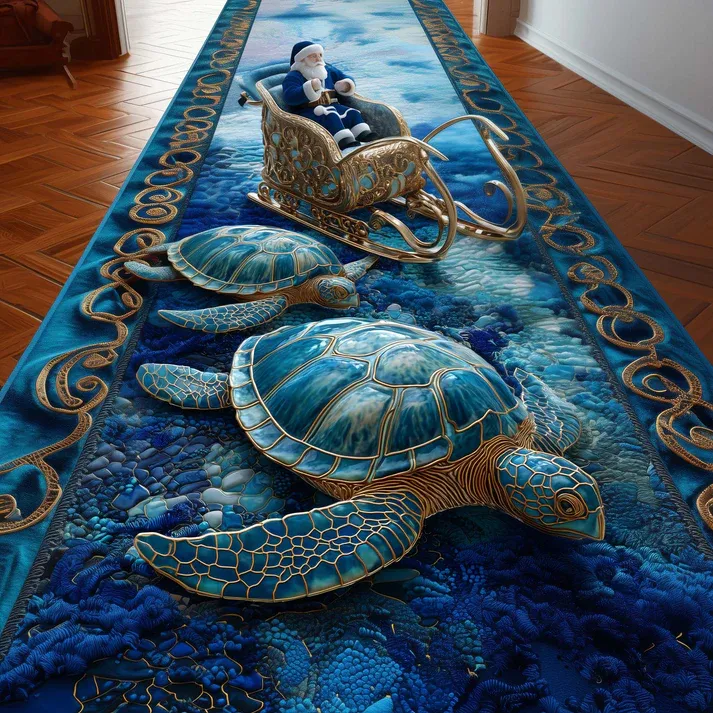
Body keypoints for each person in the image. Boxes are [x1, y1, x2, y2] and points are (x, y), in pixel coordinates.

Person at [281, 41, 379, 150]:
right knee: (330, 115)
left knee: (351, 113)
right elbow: (289, 96)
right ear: (302, 59)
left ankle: (363, 133)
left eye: (320, 55)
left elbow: (345, 77)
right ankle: (343, 140)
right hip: (310, 110)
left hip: (333, 104)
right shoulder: (294, 76)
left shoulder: (328, 70)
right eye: (313, 56)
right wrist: (309, 87)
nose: (318, 59)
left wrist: (345, 85)